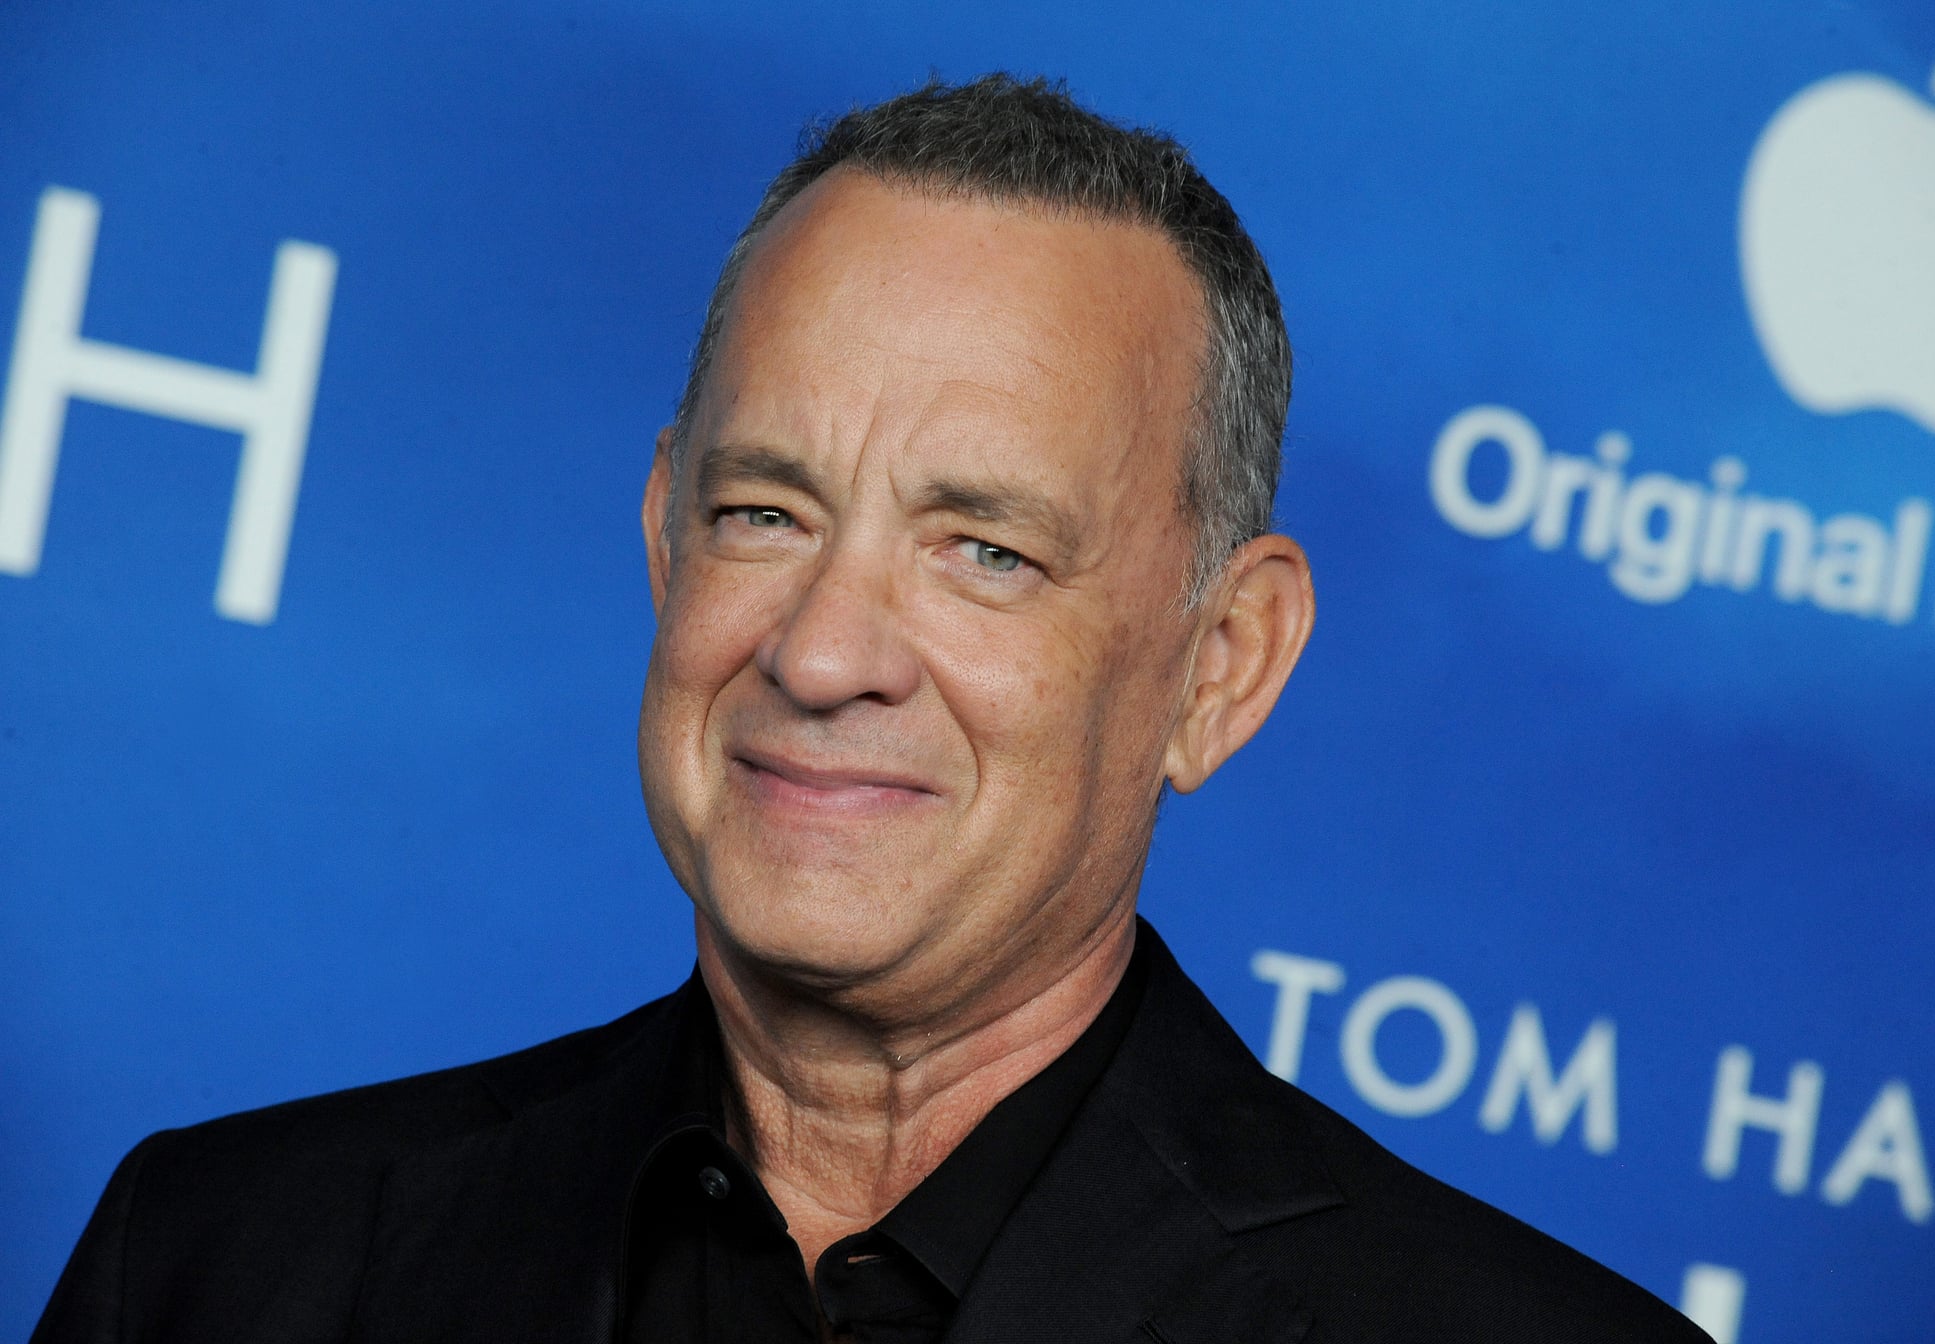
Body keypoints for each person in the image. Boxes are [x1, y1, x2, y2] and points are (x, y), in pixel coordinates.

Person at [34, 75, 1709, 1343]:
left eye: (986, 550)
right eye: (765, 513)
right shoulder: (214, 1266)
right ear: (664, 541)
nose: (825, 654)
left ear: (1221, 665)